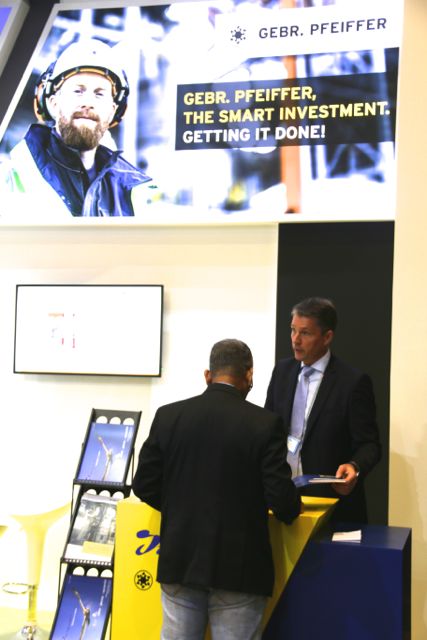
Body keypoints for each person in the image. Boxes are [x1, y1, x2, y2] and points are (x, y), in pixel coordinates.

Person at [132, 338, 301, 640]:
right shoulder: (265, 424)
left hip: (180, 561)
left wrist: (180, 508)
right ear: (249, 375)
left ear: (208, 375)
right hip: (240, 570)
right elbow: (282, 501)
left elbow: (144, 484)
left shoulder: (169, 416)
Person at [1, 38, 157, 218]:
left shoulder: (135, 195)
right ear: (53, 104)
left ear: (113, 111)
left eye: (99, 94)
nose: (88, 102)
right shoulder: (8, 182)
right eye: (78, 91)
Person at [265, 297, 381, 524]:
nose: (295, 339)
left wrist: (354, 467)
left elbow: (370, 445)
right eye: (293, 330)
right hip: (284, 498)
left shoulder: (352, 382)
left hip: (331, 503)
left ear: (327, 337)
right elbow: (268, 429)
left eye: (305, 333)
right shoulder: (282, 371)